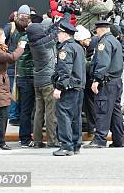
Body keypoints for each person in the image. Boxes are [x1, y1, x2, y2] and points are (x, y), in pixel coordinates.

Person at [83, 20, 124, 148]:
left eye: (96, 31)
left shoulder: (104, 43)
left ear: (100, 30)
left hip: (107, 83)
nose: (96, 34)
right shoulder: (114, 40)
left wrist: (96, 80)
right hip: (116, 81)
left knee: (102, 111)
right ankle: (119, 140)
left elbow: (102, 63)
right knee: (115, 112)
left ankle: (100, 139)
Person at [52, 21, 86, 156]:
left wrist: (59, 87)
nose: (57, 36)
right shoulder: (77, 47)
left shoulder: (65, 49)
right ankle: (76, 144)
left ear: (65, 34)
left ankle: (66, 146)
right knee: (75, 116)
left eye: (59, 33)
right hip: (78, 86)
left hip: (69, 87)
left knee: (64, 115)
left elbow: (65, 70)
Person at [26, 21, 59, 148]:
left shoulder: (33, 43)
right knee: (50, 112)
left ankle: (37, 140)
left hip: (38, 81)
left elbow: (48, 32)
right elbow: (55, 33)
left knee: (39, 111)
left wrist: (57, 21)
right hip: (47, 83)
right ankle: (52, 140)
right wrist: (65, 16)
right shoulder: (44, 43)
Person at [10, 5, 35, 148]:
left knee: (23, 108)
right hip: (28, 76)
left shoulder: (15, 33)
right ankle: (25, 138)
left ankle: (24, 137)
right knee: (27, 109)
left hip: (20, 75)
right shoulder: (28, 38)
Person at [74, 25, 96, 137]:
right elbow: (82, 65)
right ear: (82, 40)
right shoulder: (78, 49)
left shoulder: (81, 48)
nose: (90, 40)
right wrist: (92, 62)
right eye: (88, 39)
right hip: (78, 84)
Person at [3, 11, 20, 126]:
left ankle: (13, 114)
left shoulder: (11, 28)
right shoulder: (11, 27)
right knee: (14, 90)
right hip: (13, 64)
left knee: (14, 90)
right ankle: (13, 116)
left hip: (12, 63)